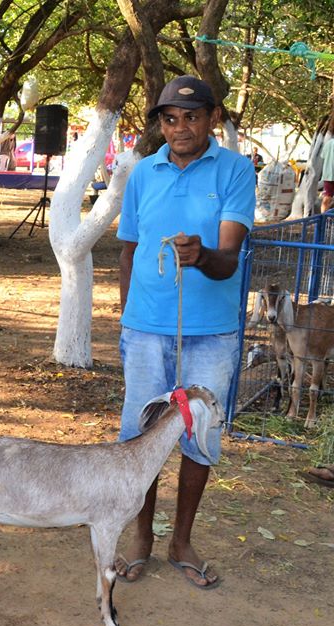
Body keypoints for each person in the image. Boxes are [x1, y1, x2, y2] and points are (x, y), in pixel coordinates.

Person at [113, 75, 255, 589]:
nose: (180, 128)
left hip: (211, 333)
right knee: (141, 437)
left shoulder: (236, 170)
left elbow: (228, 260)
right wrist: (127, 317)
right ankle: (142, 537)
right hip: (147, 332)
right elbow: (128, 249)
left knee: (200, 435)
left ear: (213, 118)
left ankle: (182, 540)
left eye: (192, 117)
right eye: (170, 119)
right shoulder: (142, 174)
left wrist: (201, 258)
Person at [321, 132, 334, 213]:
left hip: (328, 175)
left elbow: (323, 156)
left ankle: (323, 220)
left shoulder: (328, 144)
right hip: (329, 175)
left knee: (326, 198)